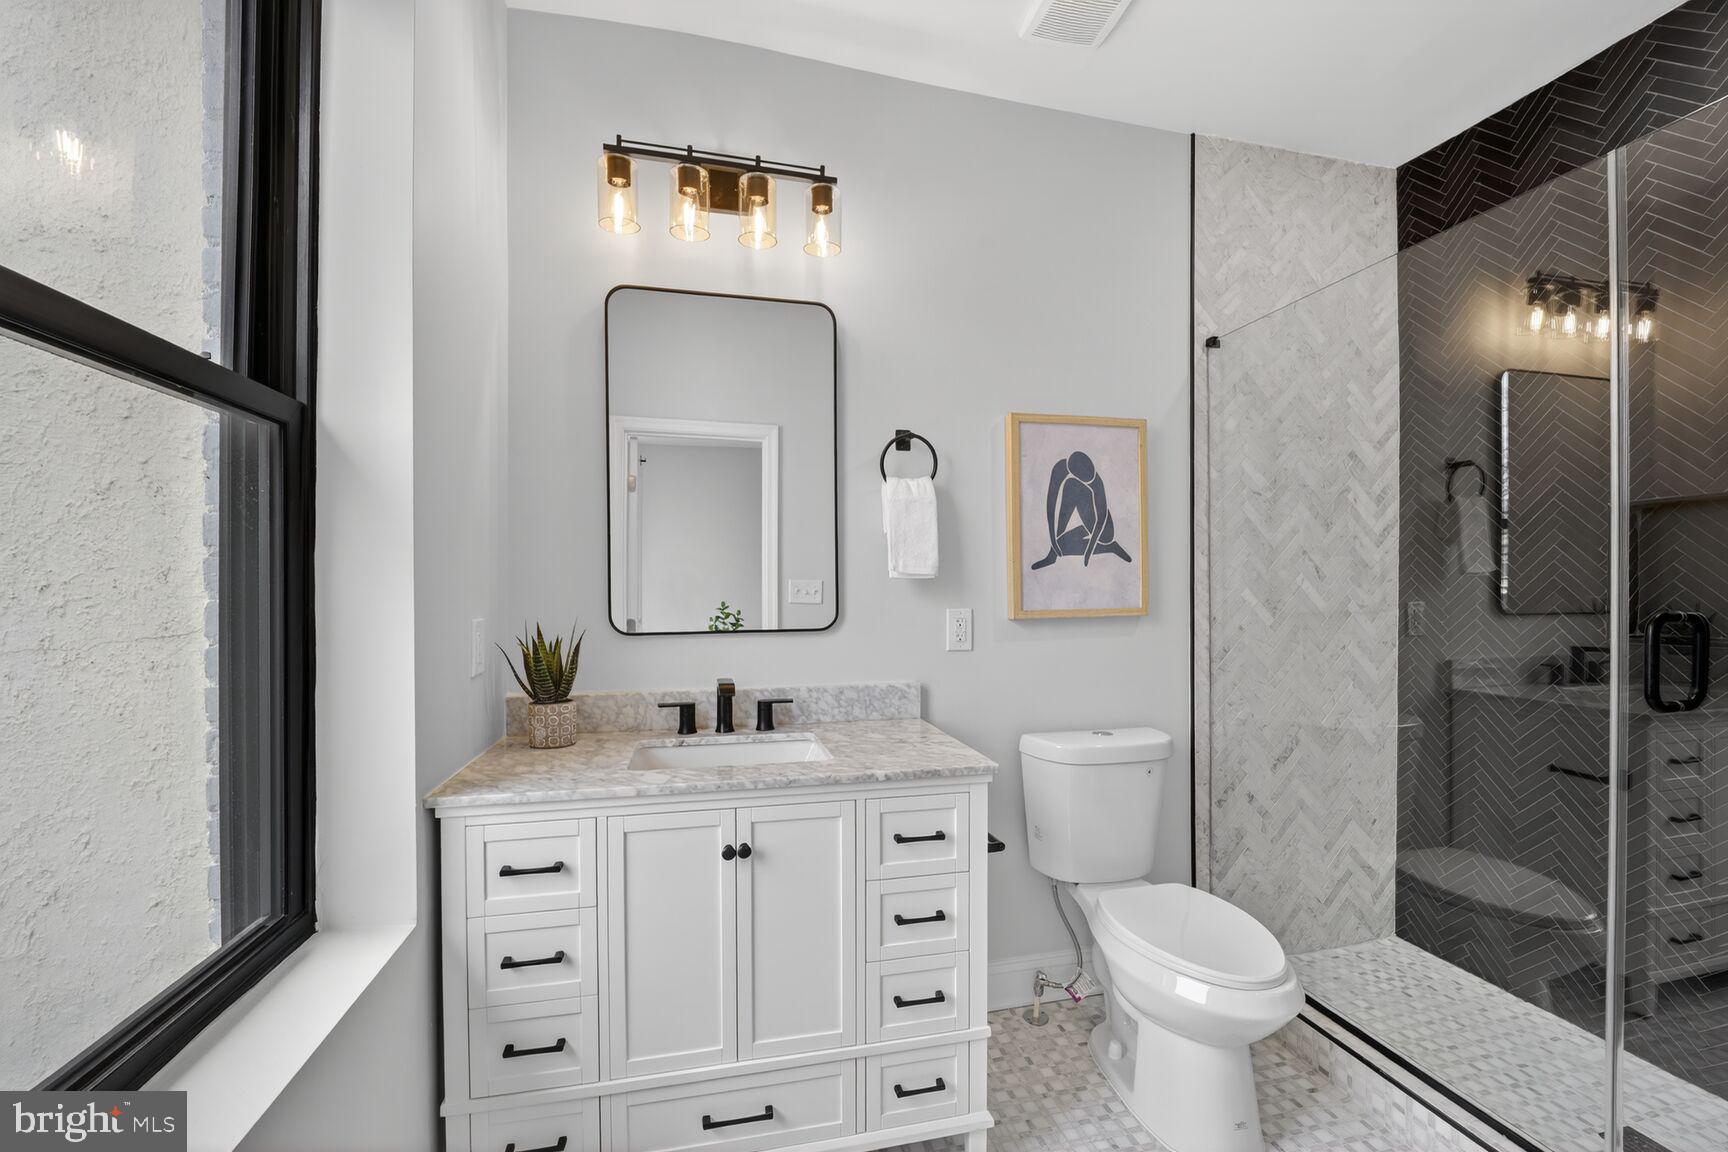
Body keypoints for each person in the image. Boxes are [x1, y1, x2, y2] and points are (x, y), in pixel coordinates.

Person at [1030, 450, 1133, 570]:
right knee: (1070, 485)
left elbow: (1101, 519)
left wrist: (1088, 552)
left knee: (1064, 547)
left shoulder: (1096, 481)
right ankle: (1053, 554)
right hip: (1087, 522)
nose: (1091, 482)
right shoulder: (1059, 469)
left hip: (1104, 531)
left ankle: (1111, 547)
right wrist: (1053, 541)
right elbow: (1050, 508)